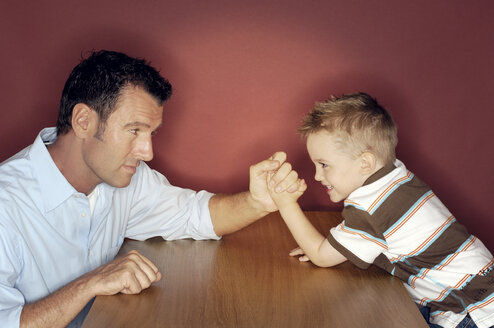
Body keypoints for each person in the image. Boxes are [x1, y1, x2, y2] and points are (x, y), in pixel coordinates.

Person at [0, 50, 300, 327]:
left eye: (151, 133)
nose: (147, 151)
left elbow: (194, 215)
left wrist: (258, 202)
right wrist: (89, 283)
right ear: (83, 121)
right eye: (134, 130)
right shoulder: (6, 205)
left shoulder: (126, 178)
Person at [266, 92, 494, 328]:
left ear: (365, 163)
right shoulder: (398, 175)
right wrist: (334, 246)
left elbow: (321, 257)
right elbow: (384, 240)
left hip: (470, 314)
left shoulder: (369, 210)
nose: (316, 175)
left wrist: (285, 203)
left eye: (324, 165)